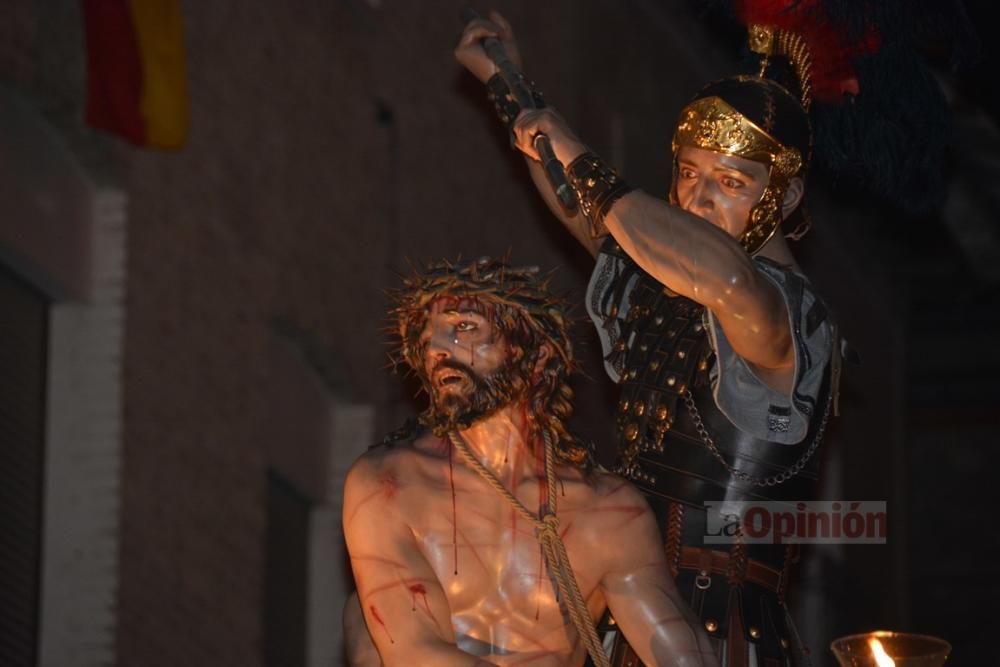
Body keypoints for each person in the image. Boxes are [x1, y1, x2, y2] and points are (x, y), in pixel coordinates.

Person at [456, 13, 840, 666]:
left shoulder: (784, 313)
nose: (699, 197)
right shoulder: (671, 280)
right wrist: (505, 80)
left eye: (731, 182)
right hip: (623, 610)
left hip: (728, 634)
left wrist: (577, 150)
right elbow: (592, 214)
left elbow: (722, 275)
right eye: (689, 174)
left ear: (786, 194)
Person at [342, 258, 720, 666]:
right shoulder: (388, 485)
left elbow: (678, 651)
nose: (436, 348)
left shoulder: (608, 512)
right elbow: (415, 653)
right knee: (360, 618)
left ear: (538, 354)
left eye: (464, 327)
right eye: (427, 336)